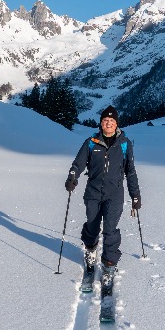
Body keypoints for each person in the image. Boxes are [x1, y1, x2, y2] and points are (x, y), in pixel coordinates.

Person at [65, 105, 141, 291]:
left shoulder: (124, 144)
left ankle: (108, 266)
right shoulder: (91, 142)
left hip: (114, 194)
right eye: (105, 120)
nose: (108, 123)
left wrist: (135, 194)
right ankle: (91, 254)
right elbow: (78, 164)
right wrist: (72, 176)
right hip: (93, 192)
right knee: (91, 226)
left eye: (112, 121)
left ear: (116, 124)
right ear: (101, 123)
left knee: (110, 231)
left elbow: (130, 172)